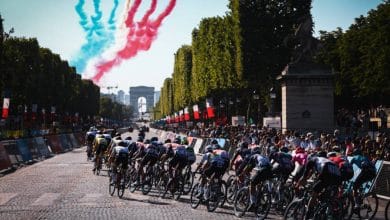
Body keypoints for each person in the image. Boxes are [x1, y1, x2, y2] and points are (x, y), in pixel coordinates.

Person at [296, 151, 342, 219]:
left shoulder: (313, 160)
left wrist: (297, 186)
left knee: (314, 192)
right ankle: (329, 209)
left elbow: (304, 177)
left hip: (327, 173)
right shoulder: (327, 160)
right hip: (338, 176)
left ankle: (308, 215)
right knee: (324, 194)